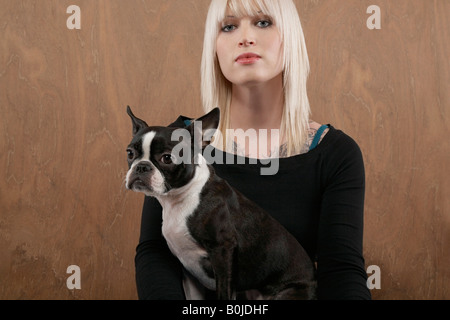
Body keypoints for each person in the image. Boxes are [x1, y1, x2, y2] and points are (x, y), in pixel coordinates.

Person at [135, 0, 371, 300]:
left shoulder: (336, 154)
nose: (245, 37)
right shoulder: (177, 144)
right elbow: (155, 257)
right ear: (214, 47)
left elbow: (341, 271)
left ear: (291, 38)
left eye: (263, 22)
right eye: (229, 26)